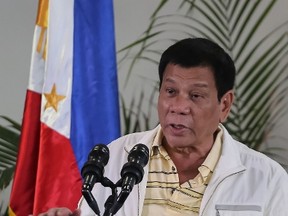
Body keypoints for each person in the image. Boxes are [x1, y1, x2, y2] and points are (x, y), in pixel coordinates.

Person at [38, 38, 288, 216]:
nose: (178, 106)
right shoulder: (116, 157)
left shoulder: (268, 178)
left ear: (224, 104)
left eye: (195, 96)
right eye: (170, 91)